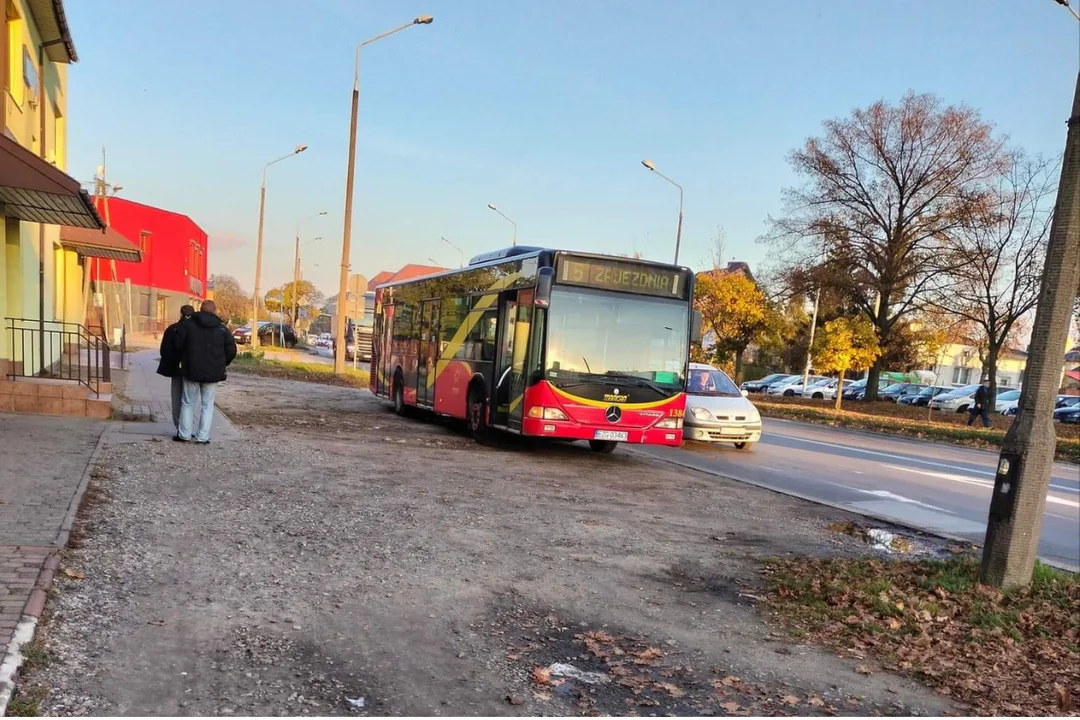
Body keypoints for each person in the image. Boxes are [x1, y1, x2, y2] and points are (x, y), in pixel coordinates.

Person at [173, 300, 237, 444]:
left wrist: (185, 359)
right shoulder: (222, 329)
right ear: (214, 311)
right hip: (213, 373)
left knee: (188, 402)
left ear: (200, 310)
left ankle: (184, 434)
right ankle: (202, 436)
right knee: (207, 405)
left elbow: (177, 345)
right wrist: (222, 363)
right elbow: (232, 349)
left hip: (191, 370)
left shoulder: (188, 326)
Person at [156, 305, 195, 438]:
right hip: (191, 369)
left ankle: (179, 426)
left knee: (177, 398)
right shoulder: (195, 329)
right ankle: (188, 428)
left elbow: (163, 350)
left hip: (176, 369)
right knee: (189, 400)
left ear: (180, 314)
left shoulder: (172, 329)